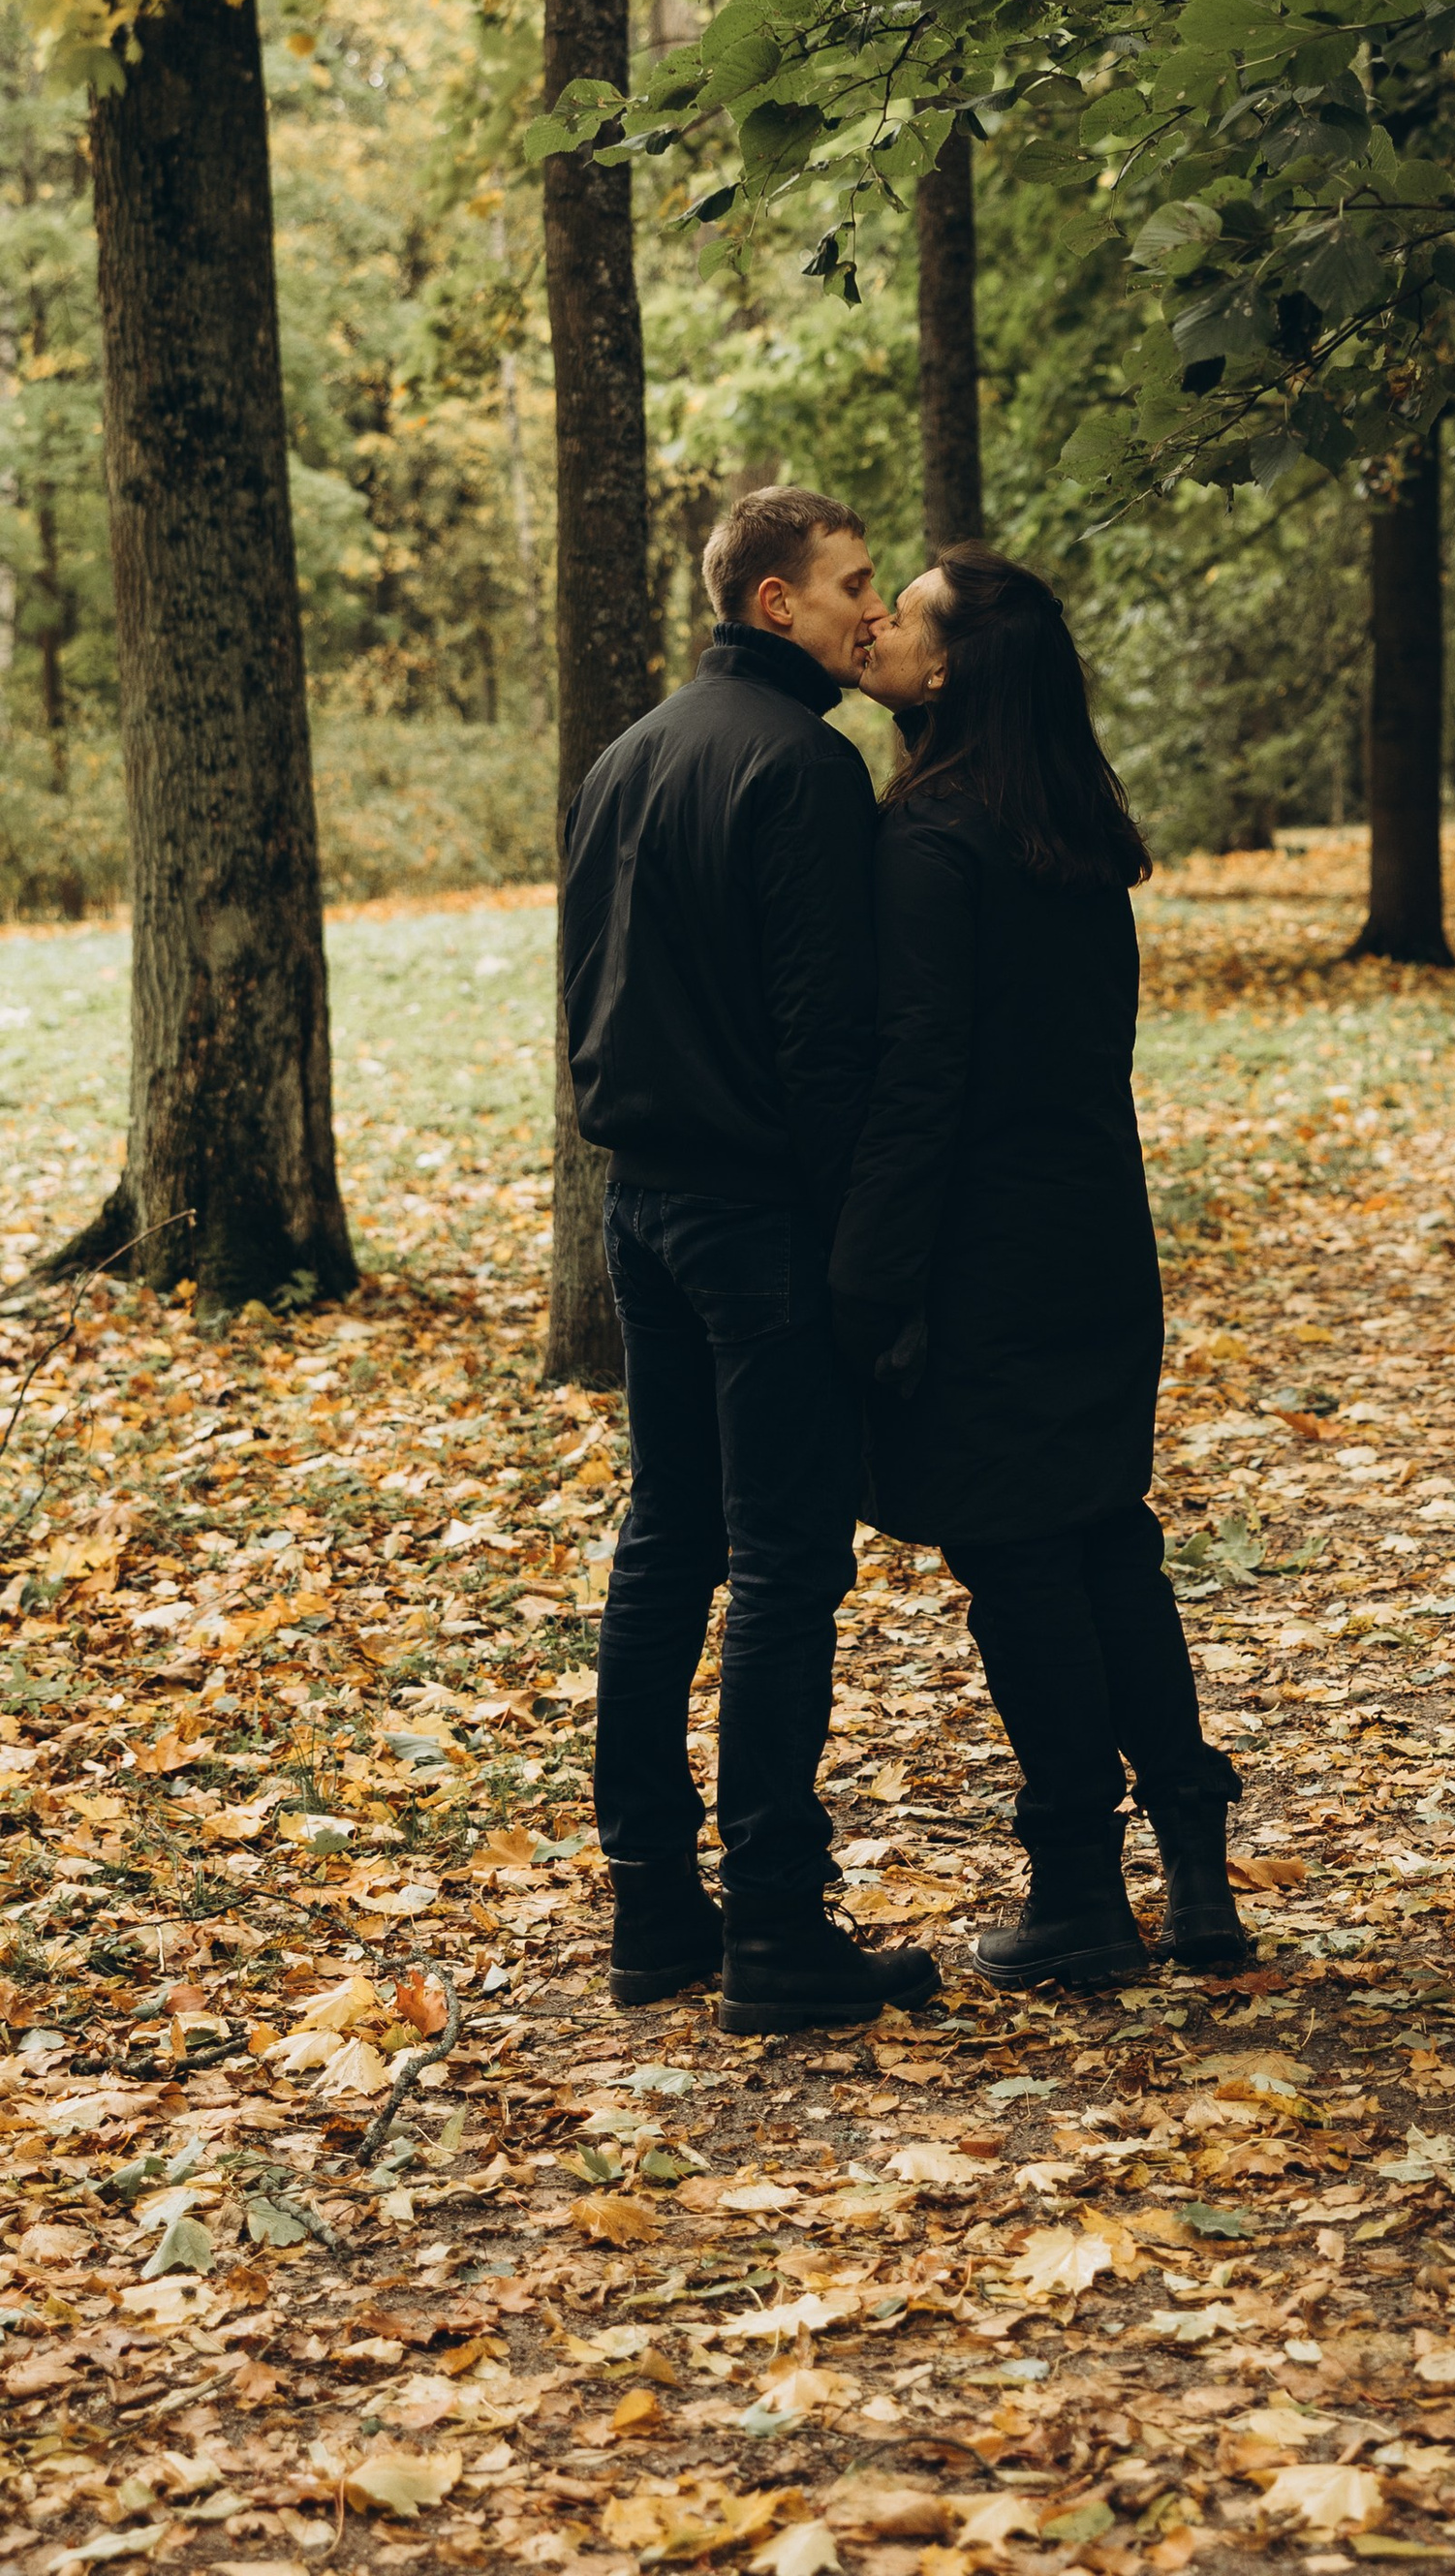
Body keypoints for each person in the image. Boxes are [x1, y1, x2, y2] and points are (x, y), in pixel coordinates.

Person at [836, 545, 1252, 1989]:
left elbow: (919, 1081)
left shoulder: (932, 843)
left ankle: (1079, 1880)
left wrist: (869, 1285)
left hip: (987, 1257)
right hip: (1096, 1240)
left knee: (1020, 1558)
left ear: (947, 670)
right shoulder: (1069, 832)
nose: (878, 624)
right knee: (1103, 1536)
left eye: (910, 614)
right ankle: (1194, 1860)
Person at [563, 484, 941, 2033]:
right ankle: (779, 1925)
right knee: (784, 1561)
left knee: (669, 1540)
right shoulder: (804, 767)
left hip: (639, 1204)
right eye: (855, 584)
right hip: (756, 1217)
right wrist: (871, 1257)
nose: (876, 610)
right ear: (774, 605)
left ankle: (655, 1909)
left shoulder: (627, 755)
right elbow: (824, 1047)